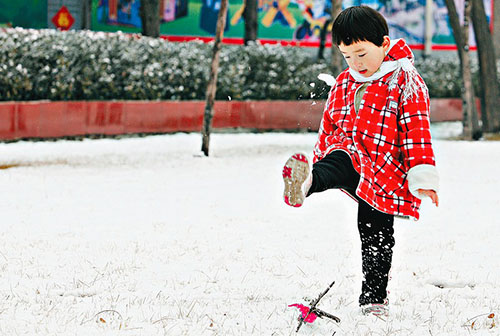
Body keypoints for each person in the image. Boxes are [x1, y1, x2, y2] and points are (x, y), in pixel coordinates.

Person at [282, 6, 439, 317]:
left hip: (384, 172)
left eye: (361, 54)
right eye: (347, 56)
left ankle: (374, 298)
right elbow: (330, 123)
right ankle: (307, 180)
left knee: (375, 233)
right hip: (349, 154)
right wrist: (320, 155)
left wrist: (422, 177)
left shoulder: (405, 81)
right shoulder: (344, 81)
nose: (355, 63)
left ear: (384, 43)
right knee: (338, 160)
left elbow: (417, 131)